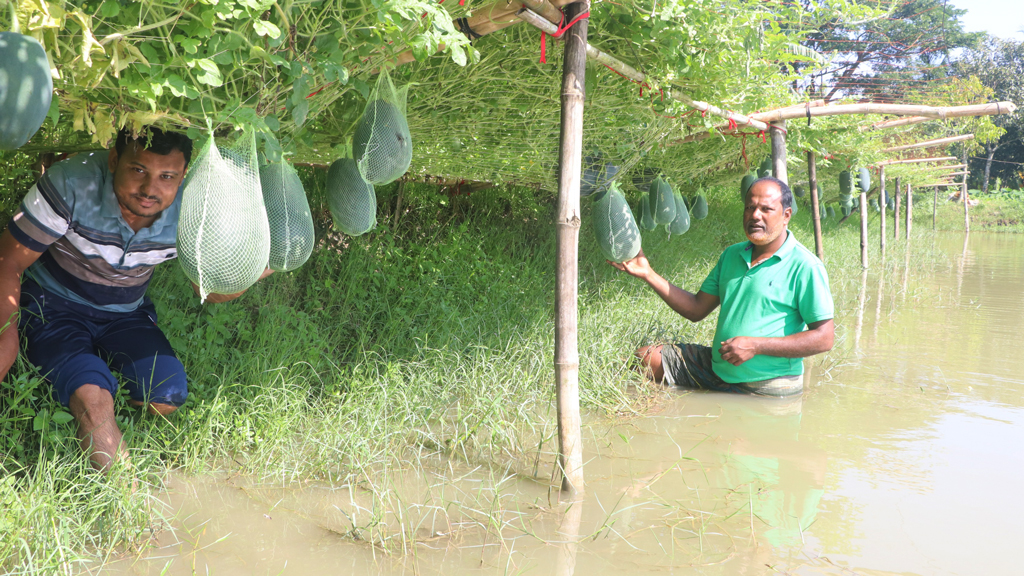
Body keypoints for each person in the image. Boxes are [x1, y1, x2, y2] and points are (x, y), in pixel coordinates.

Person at [0, 127, 271, 471]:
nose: (149, 189)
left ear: (183, 175)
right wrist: (6, 335)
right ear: (115, 160)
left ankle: (88, 365)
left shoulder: (197, 206)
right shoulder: (71, 182)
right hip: (54, 305)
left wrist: (245, 272)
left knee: (165, 397)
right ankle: (125, 502)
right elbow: (7, 261)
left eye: (167, 176)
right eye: (138, 170)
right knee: (92, 398)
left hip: (126, 311)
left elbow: (210, 292)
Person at [609, 177, 834, 397]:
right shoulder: (732, 254)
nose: (755, 215)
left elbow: (824, 338)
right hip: (717, 369)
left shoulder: (805, 266)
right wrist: (648, 274)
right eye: (750, 208)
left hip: (767, 387)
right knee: (646, 357)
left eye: (766, 209)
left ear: (786, 215)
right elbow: (696, 309)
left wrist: (756, 346)